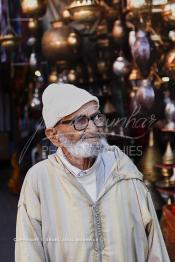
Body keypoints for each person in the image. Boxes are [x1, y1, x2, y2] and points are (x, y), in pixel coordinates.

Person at [15, 83, 170, 262]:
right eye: (80, 121)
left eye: (95, 117)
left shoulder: (123, 171)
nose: (93, 128)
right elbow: (28, 253)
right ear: (54, 136)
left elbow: (154, 246)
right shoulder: (39, 181)